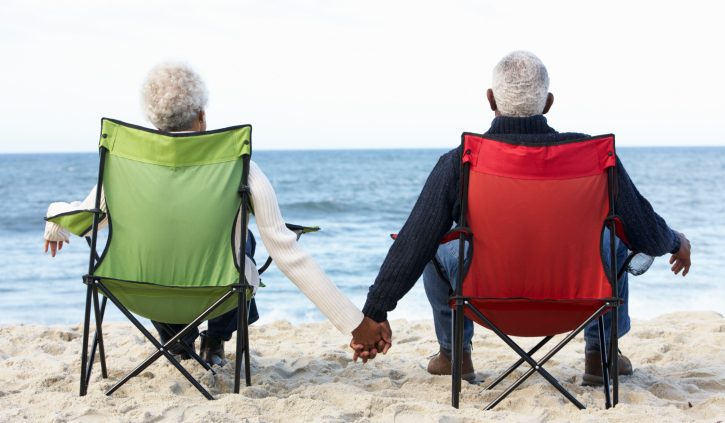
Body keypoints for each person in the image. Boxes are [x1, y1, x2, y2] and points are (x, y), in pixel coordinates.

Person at [352, 51, 692, 385]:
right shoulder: (595, 158)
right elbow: (645, 232)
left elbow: (414, 242)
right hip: (577, 300)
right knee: (615, 238)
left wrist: (375, 313)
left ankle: (455, 357)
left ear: (490, 99)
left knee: (433, 247)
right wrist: (677, 241)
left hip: (487, 301)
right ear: (548, 103)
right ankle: (600, 355)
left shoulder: (461, 162)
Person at [44, 61, 390, 366]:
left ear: (153, 119)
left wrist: (54, 222)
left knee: (160, 248)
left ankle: (175, 338)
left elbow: (86, 218)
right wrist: (355, 324)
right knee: (246, 242)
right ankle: (216, 339)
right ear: (201, 116)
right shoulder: (240, 169)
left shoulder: (122, 169)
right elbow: (287, 253)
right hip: (218, 293)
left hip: (139, 294)